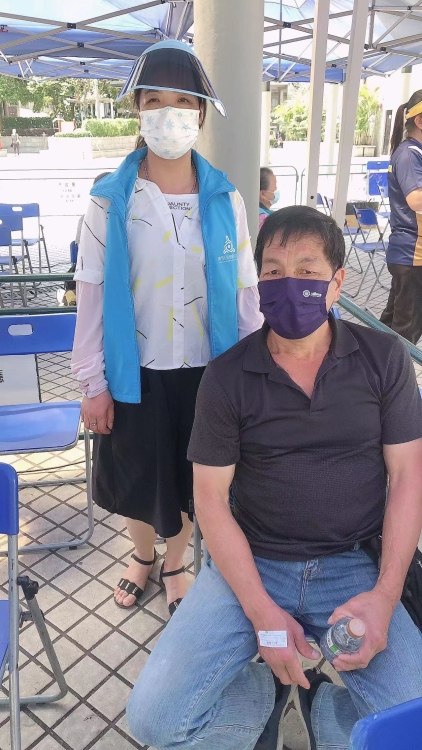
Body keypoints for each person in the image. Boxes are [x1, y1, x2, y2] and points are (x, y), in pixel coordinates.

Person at [126, 206, 422, 750]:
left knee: (412, 728)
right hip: (253, 562)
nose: (289, 284)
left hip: (355, 563)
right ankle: (265, 696)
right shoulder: (228, 376)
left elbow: (407, 478)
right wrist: (263, 614)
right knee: (154, 720)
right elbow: (210, 499)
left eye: (307, 271)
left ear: (337, 283)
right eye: (273, 271)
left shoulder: (384, 359)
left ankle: (322, 711)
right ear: (258, 282)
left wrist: (385, 595)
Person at [71, 40, 263, 615]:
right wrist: (92, 383)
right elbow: (91, 295)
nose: (168, 113)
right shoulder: (109, 202)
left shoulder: (226, 199)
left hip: (209, 371)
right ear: (137, 110)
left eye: (182, 101)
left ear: (201, 113)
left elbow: (246, 293)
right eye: (153, 100)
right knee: (138, 477)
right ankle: (141, 555)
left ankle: (176, 561)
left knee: (190, 476)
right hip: (135, 372)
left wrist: (254, 374)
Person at [380, 89, 422, 343]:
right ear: (420, 121)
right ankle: (395, 369)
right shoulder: (410, 154)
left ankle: (371, 364)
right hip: (412, 255)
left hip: (409, 256)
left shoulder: (413, 152)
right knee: (406, 333)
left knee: (392, 326)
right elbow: (416, 199)